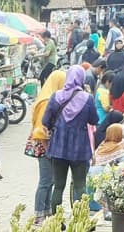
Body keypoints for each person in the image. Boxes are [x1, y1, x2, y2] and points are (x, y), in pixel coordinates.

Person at [42, 65, 99, 218]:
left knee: (59, 186)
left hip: (58, 146)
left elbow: (45, 121)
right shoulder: (88, 98)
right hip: (80, 148)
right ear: (82, 79)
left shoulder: (56, 96)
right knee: (80, 185)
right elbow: (94, 119)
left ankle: (57, 221)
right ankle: (81, 220)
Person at [29, 69, 67, 219]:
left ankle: (46, 211)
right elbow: (41, 131)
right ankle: (39, 214)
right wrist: (49, 150)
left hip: (47, 146)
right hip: (44, 146)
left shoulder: (49, 97)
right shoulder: (46, 102)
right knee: (45, 181)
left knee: (50, 180)